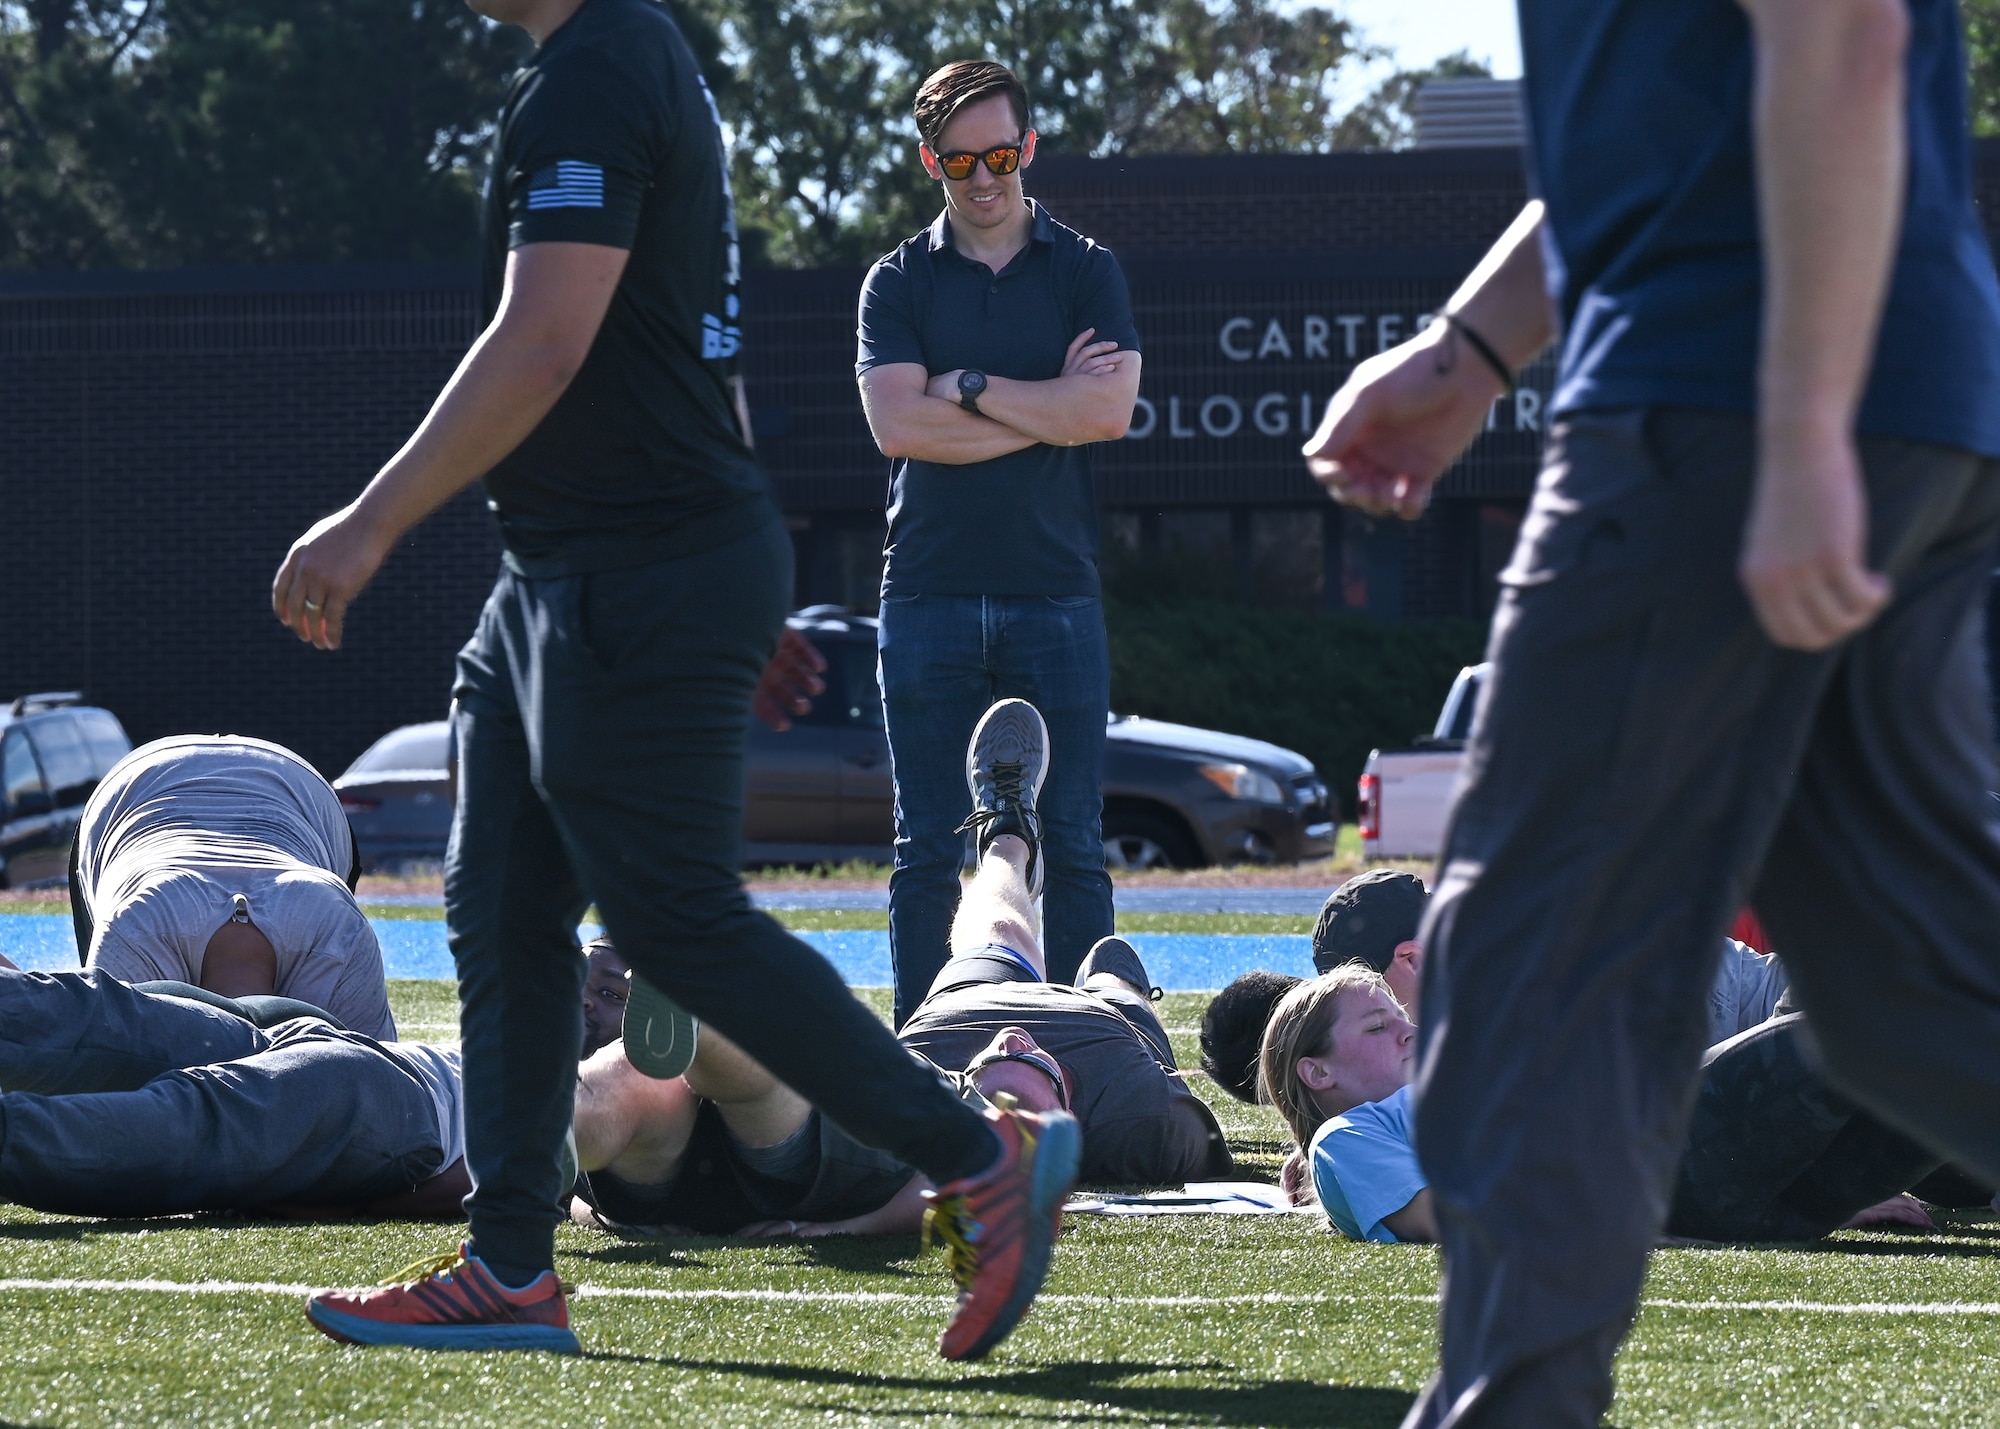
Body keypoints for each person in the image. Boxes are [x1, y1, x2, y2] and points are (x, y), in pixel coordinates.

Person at [270, 0, 1075, 1362]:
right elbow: (686, 343)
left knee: (672, 918)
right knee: (505, 907)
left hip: (628, 565)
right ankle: (513, 1267)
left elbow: (547, 337)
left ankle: (971, 1152)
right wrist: (739, 572)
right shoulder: (623, 64)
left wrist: (370, 520)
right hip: (579, 563)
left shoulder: (598, 67)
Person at [1300, 0, 2000, 1418]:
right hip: (1911, 391)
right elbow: (1673, 116)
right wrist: (1469, 355)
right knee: (1901, 988)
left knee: (1513, 962)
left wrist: (1797, 424)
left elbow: (1840, 30)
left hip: (1720, 394)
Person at [572, 699, 1228, 1238]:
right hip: (884, 1085)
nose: (1022, 1046)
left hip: (781, 1151)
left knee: (724, 1087)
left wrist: (588, 1207)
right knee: (1001, 928)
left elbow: (962, 1179)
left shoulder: (1131, 1104)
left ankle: (677, 1017)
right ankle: (1008, 836)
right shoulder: (1107, 1097)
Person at [855, 59, 1143, 1023]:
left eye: (1001, 153)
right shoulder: (895, 280)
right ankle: (921, 1056)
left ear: (1029, 147)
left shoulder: (1086, 268)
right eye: (959, 158)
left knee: (1073, 838)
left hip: (1054, 590)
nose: (983, 178)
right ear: (929, 159)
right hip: (926, 591)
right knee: (926, 845)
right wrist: (1045, 407)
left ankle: (1089, 1053)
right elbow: (899, 429)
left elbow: (1106, 411)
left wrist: (965, 384)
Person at [1262, 971, 1941, 1248]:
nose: (1408, 1029)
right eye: (1378, 1028)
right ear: (1316, 1071)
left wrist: (1839, 1198)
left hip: (1747, 1195)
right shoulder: (1345, 1138)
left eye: (1398, 1014)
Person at [0, 957, 462, 1219]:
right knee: (182, 1127)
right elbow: (480, 1182)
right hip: (390, 1103)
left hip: (345, 1055)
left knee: (105, 1015)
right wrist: (314, 1201)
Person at [71, 735, 393, 1041]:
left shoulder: (338, 930)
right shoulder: (337, 931)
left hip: (283, 787)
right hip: (286, 786)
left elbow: (384, 1082)